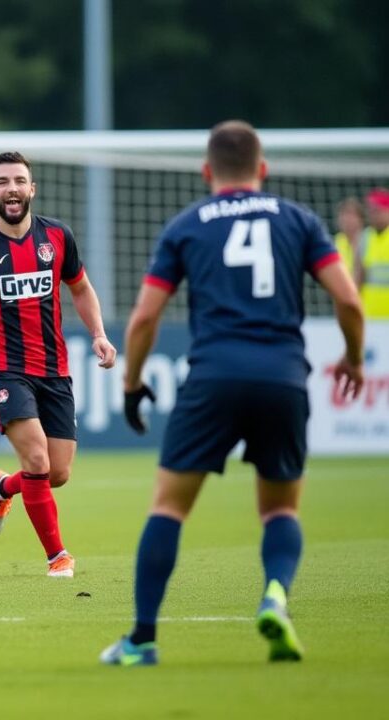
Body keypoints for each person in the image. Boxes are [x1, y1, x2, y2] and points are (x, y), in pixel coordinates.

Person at [101, 120, 365, 666]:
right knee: (279, 511)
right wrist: (354, 360)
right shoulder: (299, 220)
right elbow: (349, 302)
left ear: (206, 172)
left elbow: (145, 316)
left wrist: (132, 384)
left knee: (169, 508)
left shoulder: (187, 225)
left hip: (214, 379)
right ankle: (274, 595)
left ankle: (142, 640)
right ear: (262, 170)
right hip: (284, 379)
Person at [0, 151, 116, 578]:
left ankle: (1, 487)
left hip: (54, 369)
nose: (11, 189)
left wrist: (99, 334)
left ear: (32, 188)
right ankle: (58, 557)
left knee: (58, 472)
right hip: (4, 369)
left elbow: (81, 289)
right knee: (36, 458)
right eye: (3, 182)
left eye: (19, 181)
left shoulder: (58, 237)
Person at [360, 187, 389, 318]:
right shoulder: (365, 237)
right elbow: (359, 275)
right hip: (370, 314)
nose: (372, 215)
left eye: (376, 210)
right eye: (370, 211)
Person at [332, 197, 368, 288]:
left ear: (360, 219)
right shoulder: (338, 240)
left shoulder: (367, 239)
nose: (346, 220)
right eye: (343, 215)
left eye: (351, 215)